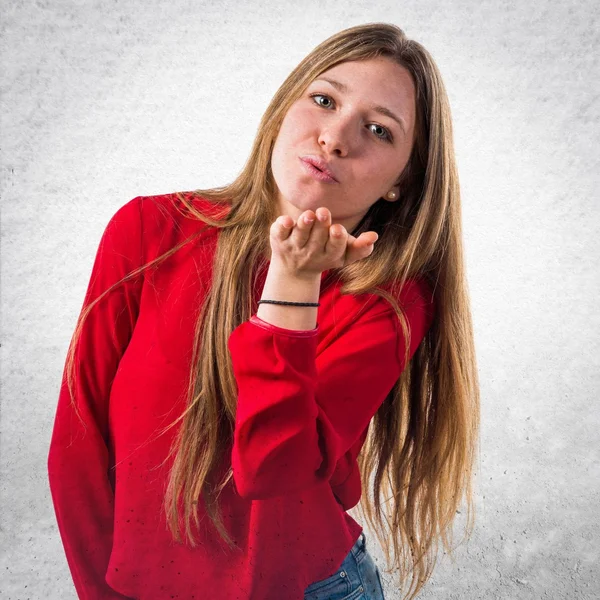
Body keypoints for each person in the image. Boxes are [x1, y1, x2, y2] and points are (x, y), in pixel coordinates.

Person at [47, 22, 480, 600]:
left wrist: (293, 282)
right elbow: (76, 447)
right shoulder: (150, 231)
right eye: (323, 100)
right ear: (283, 109)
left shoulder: (391, 302)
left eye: (378, 130)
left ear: (402, 181)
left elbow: (271, 470)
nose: (334, 137)